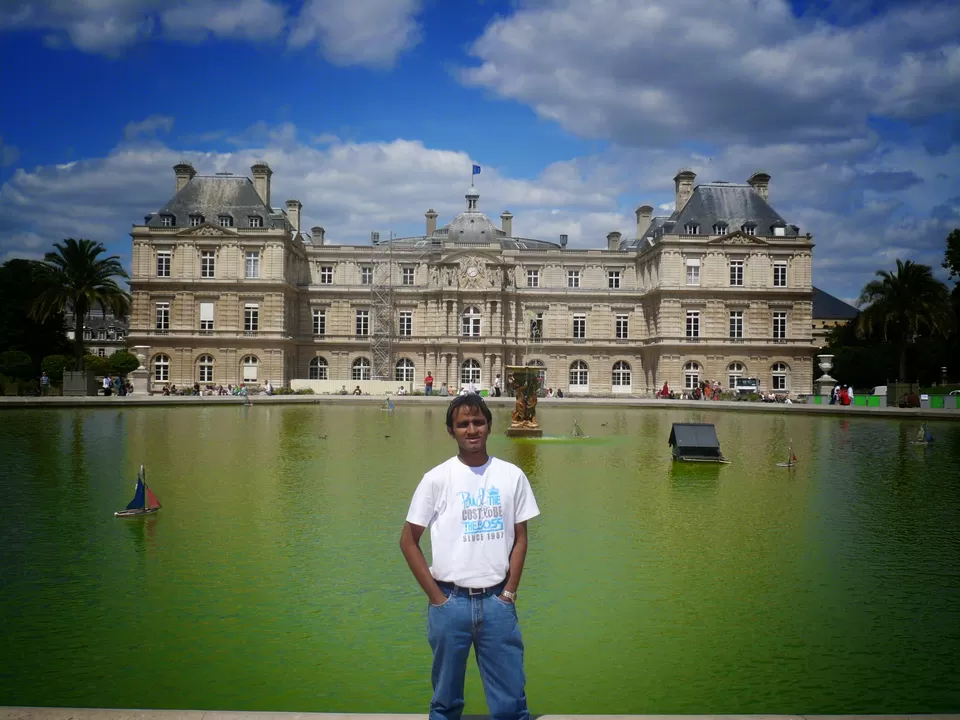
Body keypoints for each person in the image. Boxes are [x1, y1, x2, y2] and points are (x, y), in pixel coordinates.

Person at [399, 394, 540, 720]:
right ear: (451, 431)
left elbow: (521, 538)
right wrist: (437, 599)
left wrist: (509, 593)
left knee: (511, 702)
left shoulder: (512, 476)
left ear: (489, 425)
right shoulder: (436, 479)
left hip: (497, 602)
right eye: (463, 424)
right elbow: (408, 541)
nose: (472, 430)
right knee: (445, 702)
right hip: (451, 602)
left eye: (478, 422)